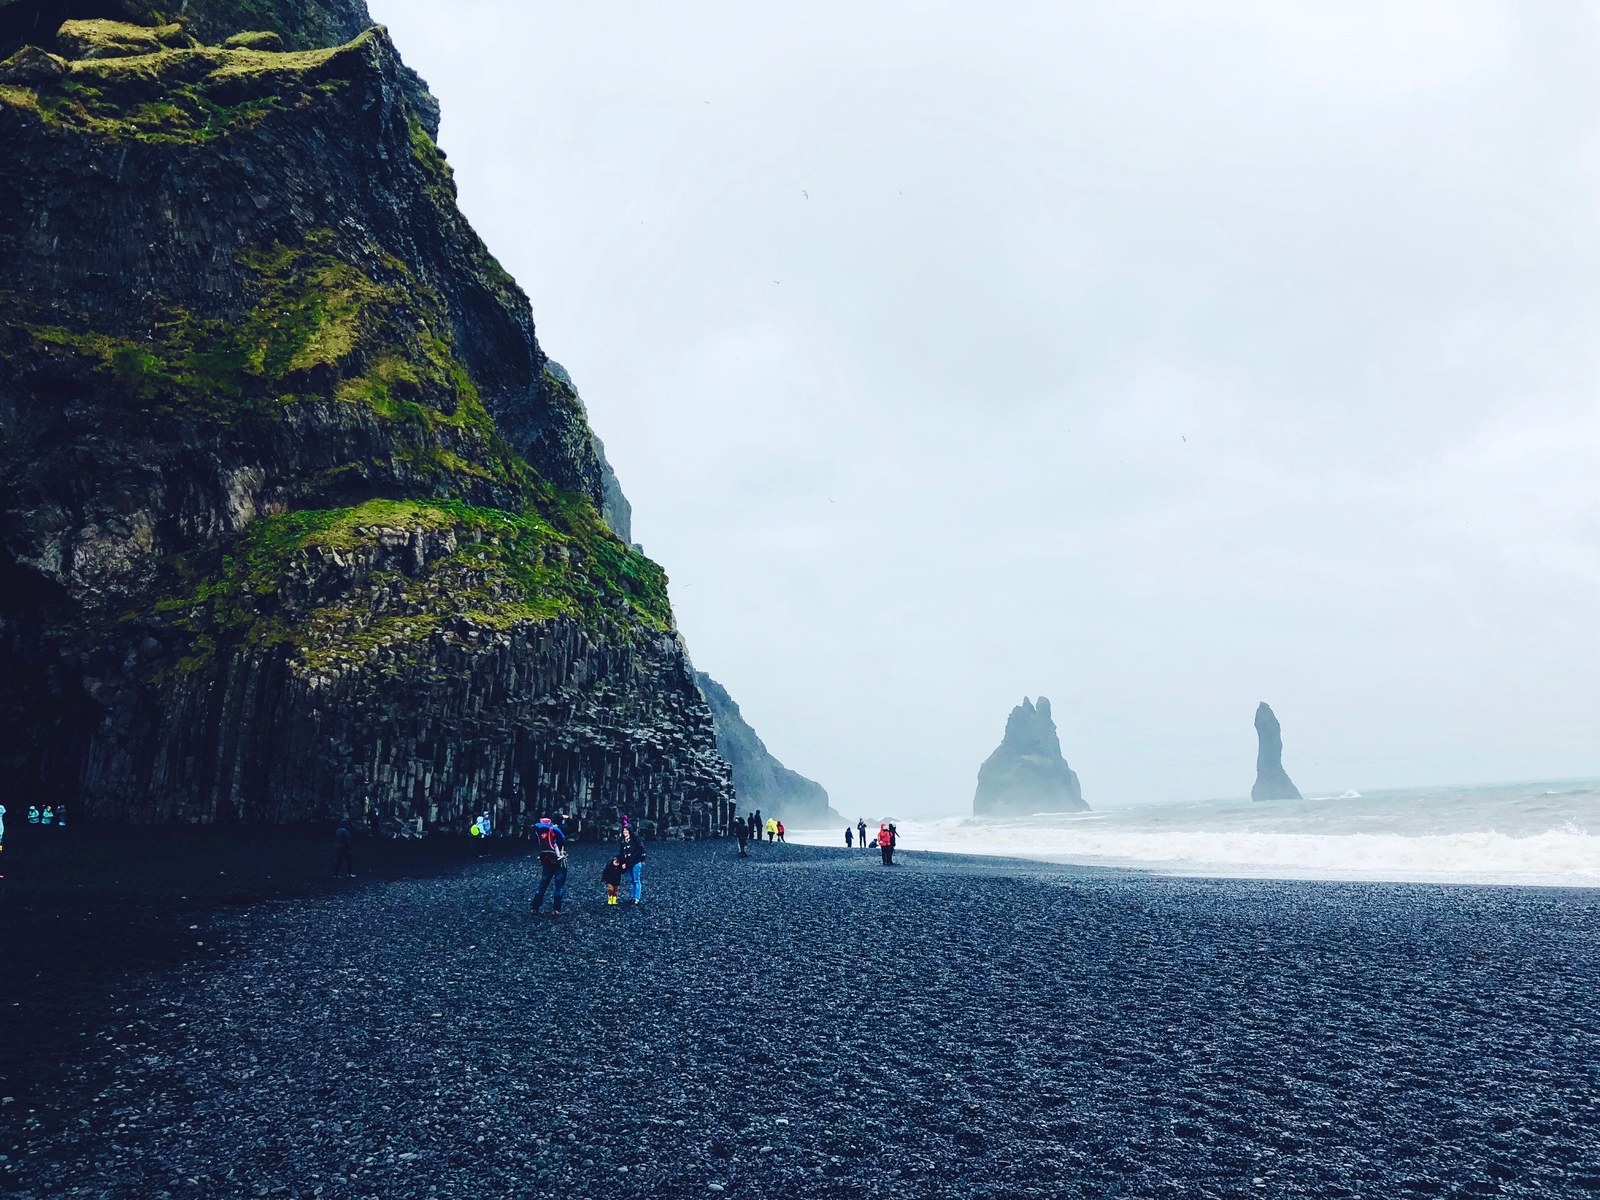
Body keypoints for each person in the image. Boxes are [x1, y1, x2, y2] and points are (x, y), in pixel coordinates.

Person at [531, 817, 568, 915]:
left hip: (546, 859)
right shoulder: (554, 829)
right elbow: (563, 839)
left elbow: (535, 841)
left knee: (543, 884)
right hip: (558, 859)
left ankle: (535, 908)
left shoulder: (538, 831)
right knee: (559, 885)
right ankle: (556, 909)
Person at [618, 822, 646, 905]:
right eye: (624, 830)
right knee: (631, 880)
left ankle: (637, 898)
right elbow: (621, 853)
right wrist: (622, 862)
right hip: (628, 863)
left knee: (636, 879)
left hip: (635, 862)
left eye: (626, 830)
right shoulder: (623, 841)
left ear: (630, 831)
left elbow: (641, 849)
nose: (625, 832)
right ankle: (633, 897)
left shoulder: (635, 839)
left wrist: (641, 859)